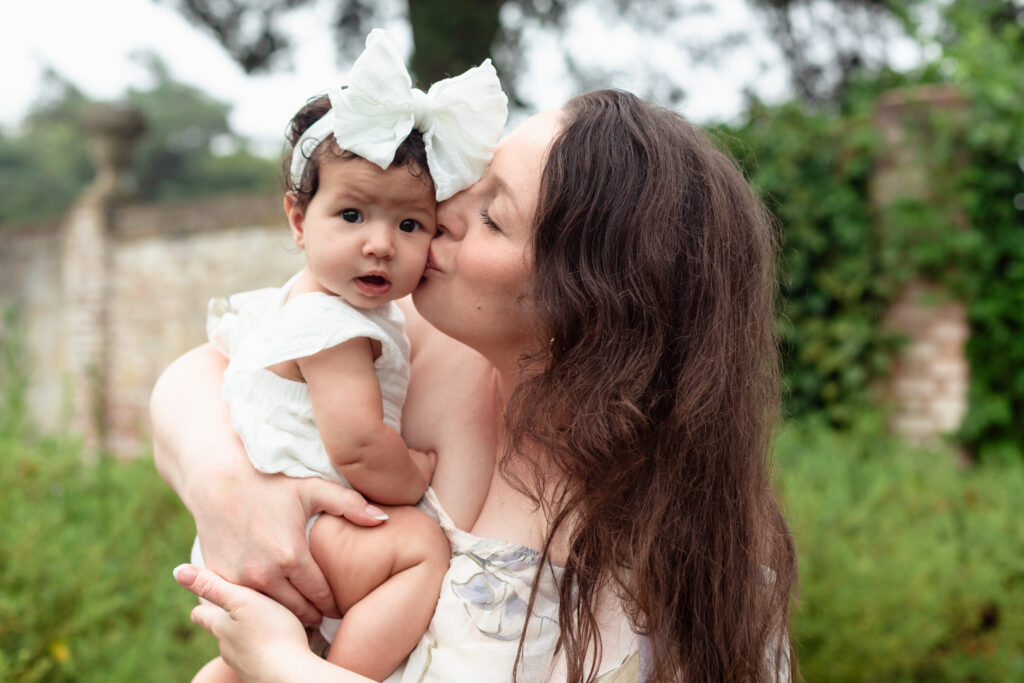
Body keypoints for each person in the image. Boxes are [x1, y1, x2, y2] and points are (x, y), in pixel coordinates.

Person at [155, 88, 798, 682]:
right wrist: (228, 486)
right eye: (470, 180)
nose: (441, 213)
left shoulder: (670, 556)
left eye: (491, 214)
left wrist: (283, 667)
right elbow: (200, 371)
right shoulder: (414, 335)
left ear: (591, 303)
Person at [181, 29, 509, 683]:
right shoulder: (332, 326)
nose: (381, 244)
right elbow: (359, 443)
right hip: (295, 526)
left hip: (285, 520)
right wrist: (415, 474)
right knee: (419, 547)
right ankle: (334, 669)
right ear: (299, 220)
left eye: (409, 224)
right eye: (353, 215)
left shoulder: (304, 303)